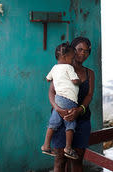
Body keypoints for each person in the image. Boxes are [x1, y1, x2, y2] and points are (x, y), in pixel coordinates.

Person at [50, 37, 95, 172]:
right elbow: (51, 93)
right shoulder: (61, 69)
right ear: (72, 50)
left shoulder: (90, 73)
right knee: (60, 160)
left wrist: (79, 110)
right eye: (80, 49)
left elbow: (89, 95)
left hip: (81, 119)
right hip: (61, 118)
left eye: (86, 51)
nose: (83, 54)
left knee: (76, 160)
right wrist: (58, 109)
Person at [42, 42, 80, 159]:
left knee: (53, 122)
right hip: (68, 100)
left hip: (58, 100)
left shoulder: (54, 68)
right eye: (72, 57)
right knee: (70, 123)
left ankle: (46, 145)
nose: (73, 60)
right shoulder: (69, 67)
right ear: (64, 57)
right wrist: (78, 81)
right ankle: (68, 148)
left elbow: (48, 79)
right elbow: (74, 80)